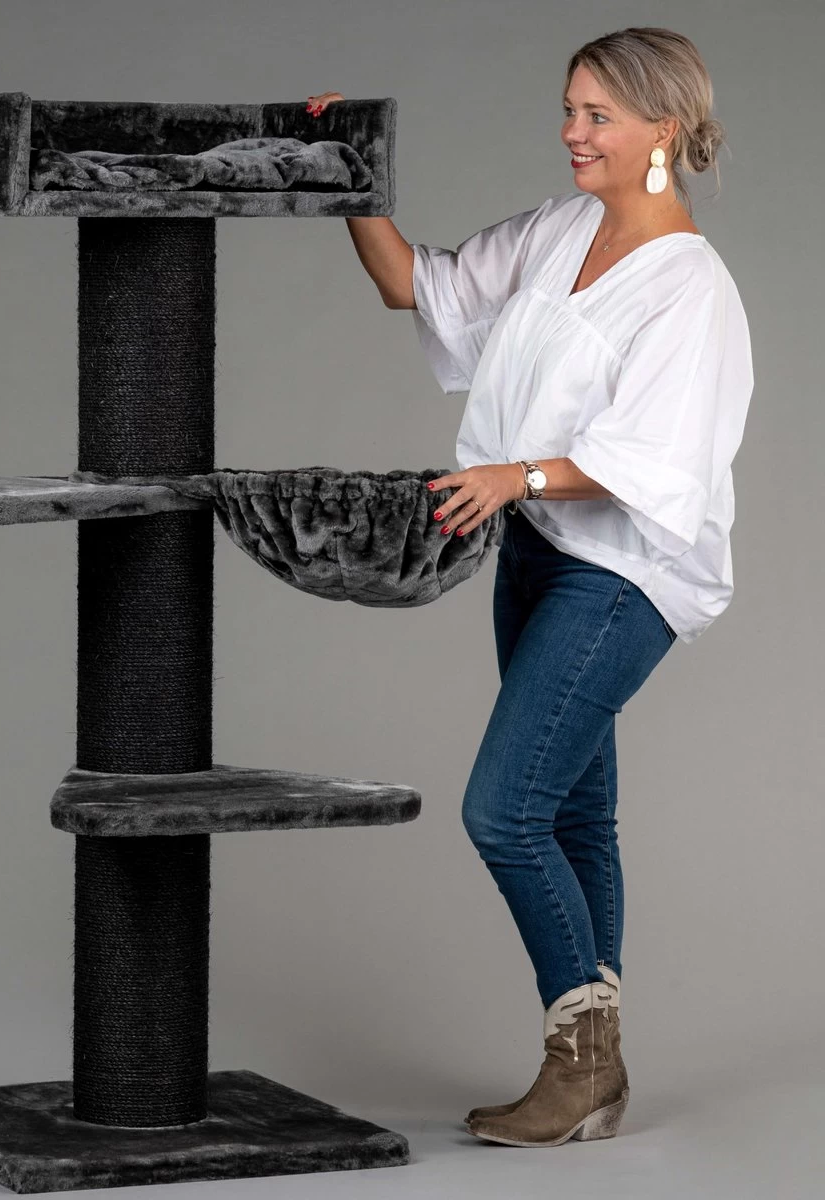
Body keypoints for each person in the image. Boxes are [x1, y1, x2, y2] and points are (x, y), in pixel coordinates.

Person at [307, 24, 753, 1148]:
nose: (572, 133)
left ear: (663, 130)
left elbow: (657, 463)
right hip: (539, 549)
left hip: (627, 569)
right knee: (576, 813)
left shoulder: (690, 291)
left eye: (598, 116)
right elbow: (414, 286)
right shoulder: (560, 232)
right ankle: (592, 1078)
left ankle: (583, 1064)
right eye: (569, 110)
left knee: (504, 810)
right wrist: (350, 174)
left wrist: (518, 475)